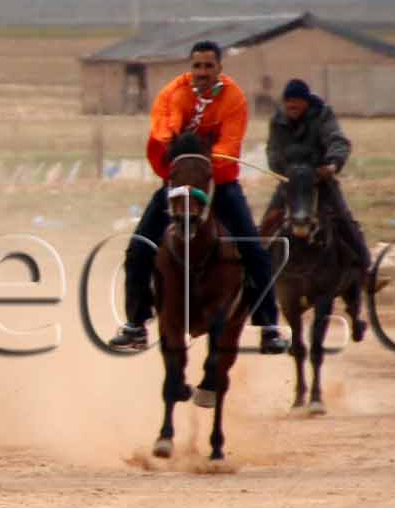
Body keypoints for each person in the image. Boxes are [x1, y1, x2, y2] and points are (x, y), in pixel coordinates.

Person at [103, 41, 284, 356]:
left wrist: (200, 159)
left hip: (220, 182)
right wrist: (180, 150)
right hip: (177, 183)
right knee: (138, 248)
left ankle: (268, 325)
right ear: (191, 68)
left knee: (253, 248)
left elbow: (229, 145)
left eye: (208, 66)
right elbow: (163, 130)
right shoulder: (174, 92)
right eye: (197, 66)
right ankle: (136, 323)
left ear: (219, 69)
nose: (202, 72)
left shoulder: (234, 98)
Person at [266, 77, 372, 288]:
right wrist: (283, 170)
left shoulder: (323, 116)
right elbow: (273, 151)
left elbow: (338, 141)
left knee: (344, 220)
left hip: (320, 181)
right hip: (291, 183)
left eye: (296, 100)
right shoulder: (277, 121)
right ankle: (257, 275)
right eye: (288, 101)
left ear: (306, 102)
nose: (291, 105)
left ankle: (365, 273)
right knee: (268, 222)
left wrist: (332, 165)